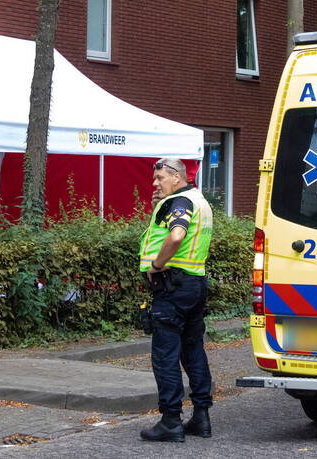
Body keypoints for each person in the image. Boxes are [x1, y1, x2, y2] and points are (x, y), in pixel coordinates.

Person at [138, 157, 215, 442]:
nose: (155, 184)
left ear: (176, 177)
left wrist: (156, 265)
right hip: (194, 285)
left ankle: (170, 421)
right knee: (193, 350)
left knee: (165, 355)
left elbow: (176, 235)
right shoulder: (200, 200)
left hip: (172, 287)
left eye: (159, 178)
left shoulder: (179, 202)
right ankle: (201, 417)